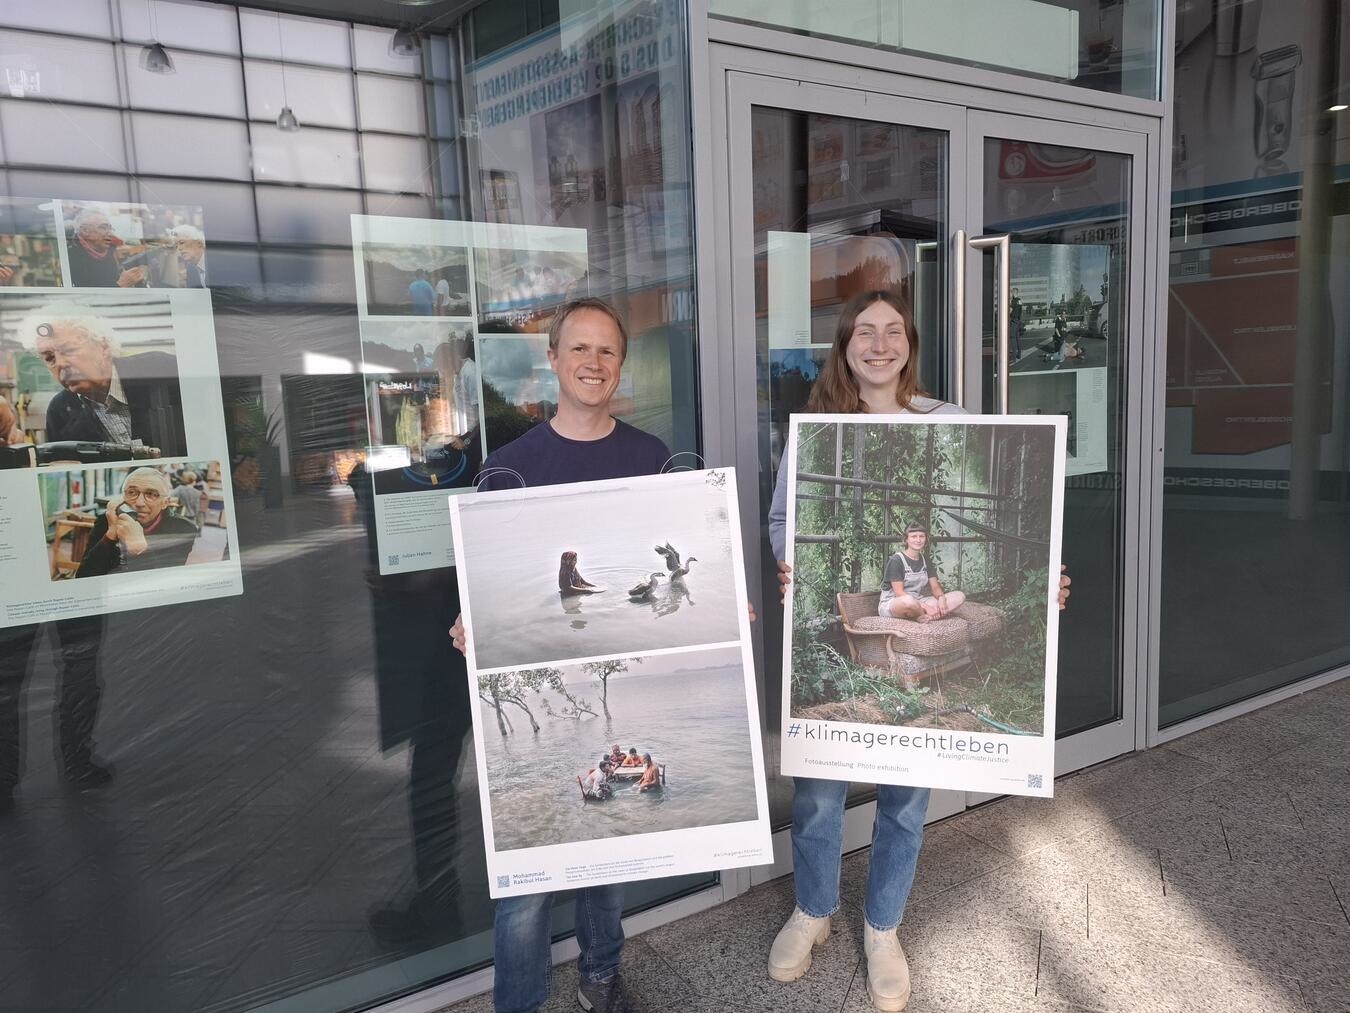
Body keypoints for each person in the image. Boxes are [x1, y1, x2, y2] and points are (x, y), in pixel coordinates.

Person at [766, 289, 1069, 1012]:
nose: (878, 343)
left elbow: (963, 568)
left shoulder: (948, 419)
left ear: (910, 344)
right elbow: (782, 517)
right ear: (845, 346)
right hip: (880, 612)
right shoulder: (821, 425)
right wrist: (787, 560)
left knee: (907, 793)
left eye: (892, 331)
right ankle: (813, 910)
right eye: (863, 332)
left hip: (919, 607)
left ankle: (882, 927)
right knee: (817, 790)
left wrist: (1054, 579)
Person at [451, 297, 670, 1013]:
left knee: (606, 855)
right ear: (552, 359)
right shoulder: (508, 468)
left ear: (620, 362)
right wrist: (469, 617)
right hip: (543, 673)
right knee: (526, 879)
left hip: (613, 674)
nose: (593, 363)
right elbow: (492, 578)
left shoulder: (650, 458)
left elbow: (659, 571)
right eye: (579, 349)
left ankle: (600, 977)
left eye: (607, 351)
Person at [31, 306, 187, 456]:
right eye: (50, 358)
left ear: (103, 347)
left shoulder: (163, 370)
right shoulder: (59, 411)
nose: (60, 363)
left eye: (69, 350)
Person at [75, 467, 198, 578]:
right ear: (122, 497)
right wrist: (110, 535)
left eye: (151, 494)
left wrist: (140, 549)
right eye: (132, 493)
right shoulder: (107, 520)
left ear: (165, 503)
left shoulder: (183, 529)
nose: (139, 503)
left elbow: (167, 582)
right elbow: (83, 576)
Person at [879, 522, 966, 623]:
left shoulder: (926, 560)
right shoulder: (896, 560)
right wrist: (927, 607)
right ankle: (924, 614)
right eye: (913, 536)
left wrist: (942, 599)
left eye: (921, 536)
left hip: (918, 600)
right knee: (909, 601)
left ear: (926, 539)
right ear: (906, 539)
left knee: (959, 596)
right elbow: (899, 593)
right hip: (895, 603)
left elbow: (935, 587)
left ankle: (923, 616)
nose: (918, 540)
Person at [65, 206, 145, 288]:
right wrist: (121, 285)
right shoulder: (70, 257)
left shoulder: (110, 250)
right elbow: (86, 298)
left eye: (110, 229)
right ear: (85, 231)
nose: (110, 234)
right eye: (103, 227)